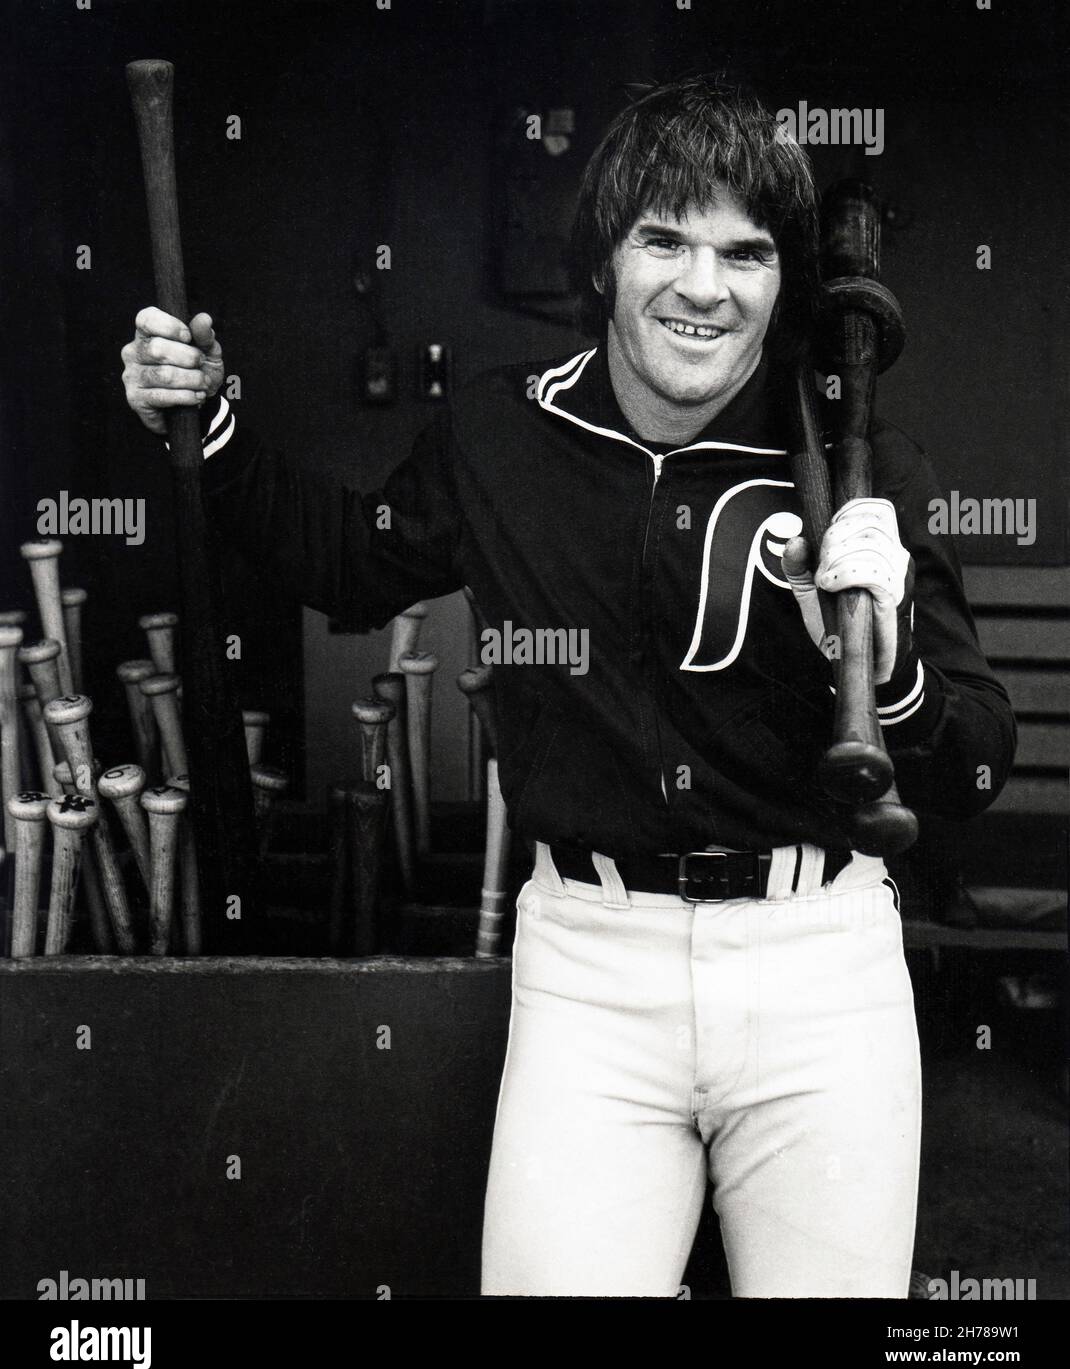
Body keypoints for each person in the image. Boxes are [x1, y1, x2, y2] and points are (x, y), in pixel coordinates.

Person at [122, 75, 1015, 1297]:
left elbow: (970, 764)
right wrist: (205, 420)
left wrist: (885, 655)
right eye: (665, 238)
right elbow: (342, 559)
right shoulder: (499, 437)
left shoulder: (866, 473)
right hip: (591, 970)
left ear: (780, 282)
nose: (703, 286)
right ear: (603, 255)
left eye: (744, 252)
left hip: (821, 970)